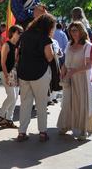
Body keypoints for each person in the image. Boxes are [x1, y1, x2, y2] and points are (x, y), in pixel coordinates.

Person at [16, 13, 55, 142]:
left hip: (24, 72)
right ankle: (42, 132)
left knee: (25, 103)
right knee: (41, 103)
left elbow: (18, 54)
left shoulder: (25, 35)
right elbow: (49, 56)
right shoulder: (44, 37)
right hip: (40, 72)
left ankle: (22, 132)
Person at [57, 22, 92, 140]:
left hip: (82, 79)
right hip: (69, 77)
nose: (73, 33)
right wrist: (62, 72)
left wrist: (74, 71)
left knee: (81, 104)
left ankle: (83, 131)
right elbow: (65, 62)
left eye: (75, 30)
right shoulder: (68, 44)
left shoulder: (87, 46)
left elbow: (89, 65)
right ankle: (65, 125)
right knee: (67, 102)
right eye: (71, 30)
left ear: (81, 31)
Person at [0, 25, 23, 129]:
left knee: (16, 97)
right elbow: (2, 62)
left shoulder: (17, 46)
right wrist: (7, 76)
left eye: (21, 33)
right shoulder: (6, 45)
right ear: (13, 33)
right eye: (19, 33)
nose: (20, 35)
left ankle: (9, 119)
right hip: (5, 72)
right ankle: (1, 116)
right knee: (11, 96)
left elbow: (15, 62)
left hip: (14, 72)